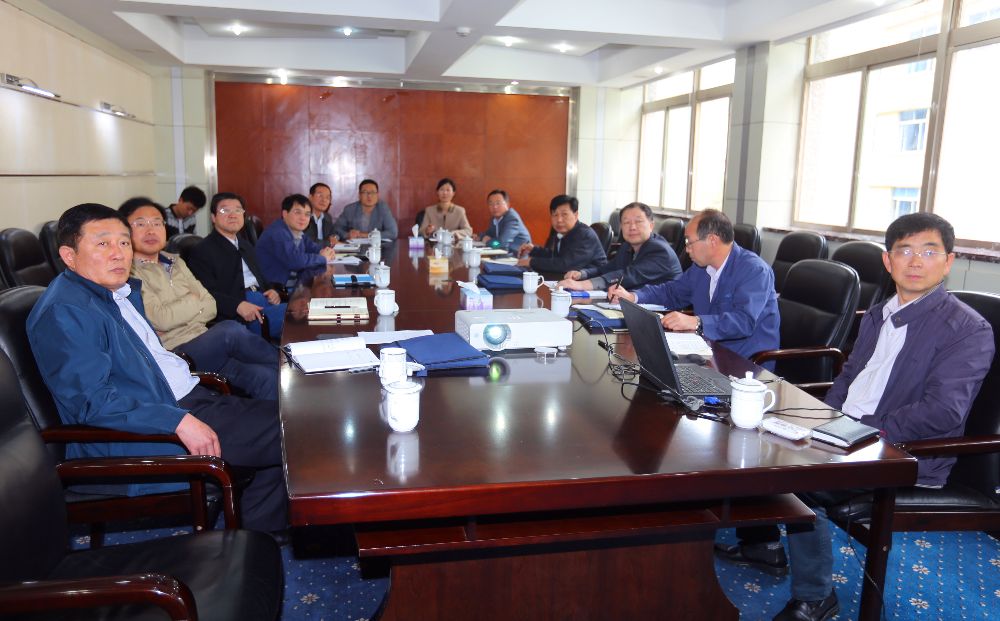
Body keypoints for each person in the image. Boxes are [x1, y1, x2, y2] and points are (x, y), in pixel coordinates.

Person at [720, 213, 995, 621]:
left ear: (948, 261)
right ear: (888, 261)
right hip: (846, 431)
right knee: (751, 438)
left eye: (928, 252)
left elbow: (942, 412)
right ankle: (762, 544)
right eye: (904, 250)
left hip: (905, 450)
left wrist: (862, 432)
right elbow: (848, 377)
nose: (915, 261)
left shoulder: (967, 330)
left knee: (798, 481)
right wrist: (825, 418)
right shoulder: (880, 313)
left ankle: (816, 596)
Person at [27, 203, 287, 534]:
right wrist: (176, 420)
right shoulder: (67, 311)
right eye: (103, 243)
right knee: (296, 432)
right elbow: (91, 401)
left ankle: (256, 531)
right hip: (141, 434)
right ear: (69, 255)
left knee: (291, 417)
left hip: (178, 403)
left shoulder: (113, 293)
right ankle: (261, 533)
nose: (118, 253)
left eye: (124, 242)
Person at [119, 197, 278, 400]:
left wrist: (181, 311)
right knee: (229, 330)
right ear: (124, 231)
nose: (151, 230)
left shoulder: (175, 261)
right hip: (175, 353)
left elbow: (210, 305)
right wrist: (194, 301)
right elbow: (161, 319)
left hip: (206, 342)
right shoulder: (127, 272)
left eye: (157, 223)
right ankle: (292, 363)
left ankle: (290, 398)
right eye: (141, 224)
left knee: (267, 377)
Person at [609, 209, 779, 361]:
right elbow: (672, 292)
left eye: (689, 242)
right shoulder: (701, 268)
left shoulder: (754, 271)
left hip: (744, 362)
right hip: (705, 351)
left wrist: (697, 322)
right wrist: (633, 296)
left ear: (712, 240)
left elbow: (743, 322)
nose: (687, 249)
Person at [186, 192, 287, 340]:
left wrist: (272, 290)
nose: (233, 215)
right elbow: (204, 293)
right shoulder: (202, 250)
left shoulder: (245, 245)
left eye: (238, 210)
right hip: (243, 314)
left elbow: (260, 277)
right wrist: (237, 306)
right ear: (213, 217)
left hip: (263, 301)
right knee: (301, 315)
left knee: (305, 312)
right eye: (225, 210)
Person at [559, 202, 681, 292]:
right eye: (626, 222)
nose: (632, 227)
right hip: (632, 301)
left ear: (651, 225)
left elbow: (629, 275)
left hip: (664, 311)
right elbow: (608, 269)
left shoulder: (660, 250)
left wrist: (582, 285)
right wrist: (582, 274)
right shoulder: (627, 246)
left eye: (638, 221)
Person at [256, 193, 336, 286]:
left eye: (307, 214)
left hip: (292, 282)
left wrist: (326, 251)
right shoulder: (278, 233)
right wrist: (322, 258)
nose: (303, 218)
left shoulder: (297, 232)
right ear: (285, 214)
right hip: (276, 288)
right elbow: (295, 261)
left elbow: (313, 247)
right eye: (298, 212)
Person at [517, 195, 607, 274]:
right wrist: (533, 250)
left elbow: (566, 264)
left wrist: (531, 262)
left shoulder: (584, 234)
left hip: (593, 281)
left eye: (564, 214)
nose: (559, 220)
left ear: (576, 215)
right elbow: (556, 257)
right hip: (569, 278)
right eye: (555, 215)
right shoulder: (562, 232)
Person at [333, 179, 399, 241]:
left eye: (373, 192)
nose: (369, 196)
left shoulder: (383, 208)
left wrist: (364, 235)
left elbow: (393, 233)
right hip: (354, 247)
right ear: (359, 195)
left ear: (377, 195)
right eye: (365, 192)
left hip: (377, 247)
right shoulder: (350, 209)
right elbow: (337, 229)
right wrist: (347, 235)